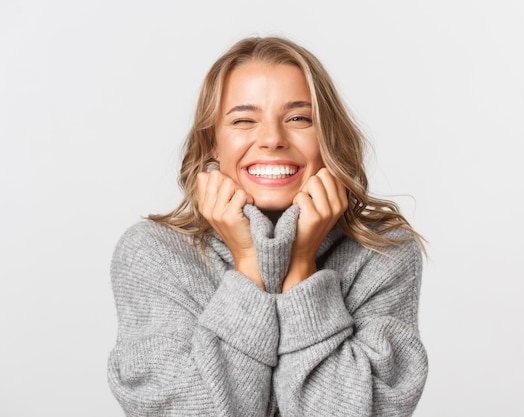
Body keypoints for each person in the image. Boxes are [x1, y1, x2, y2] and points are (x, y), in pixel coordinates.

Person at [108, 36, 428, 417]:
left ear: (326, 136)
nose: (273, 139)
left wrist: (301, 268)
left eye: (298, 118)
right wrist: (248, 265)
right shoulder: (153, 254)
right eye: (244, 120)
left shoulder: (383, 251)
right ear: (212, 143)